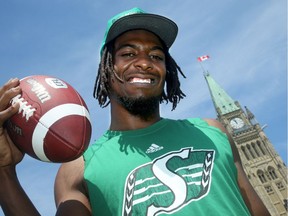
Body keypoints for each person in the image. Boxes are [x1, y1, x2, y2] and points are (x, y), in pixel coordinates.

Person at [0, 7, 270, 216]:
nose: (145, 62)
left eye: (156, 56)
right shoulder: (78, 169)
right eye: (128, 54)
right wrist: (4, 172)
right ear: (106, 68)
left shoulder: (213, 132)